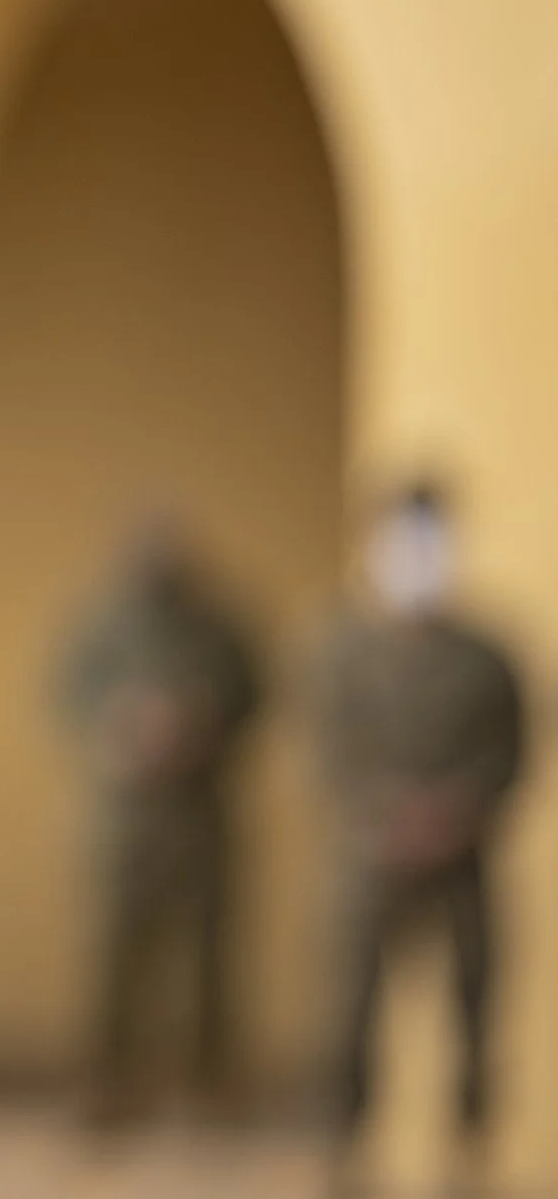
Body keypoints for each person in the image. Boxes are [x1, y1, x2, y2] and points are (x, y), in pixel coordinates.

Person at [319, 480, 526, 1160]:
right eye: (401, 542)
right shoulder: (342, 652)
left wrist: (460, 807)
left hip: (463, 855)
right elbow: (324, 748)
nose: (416, 558)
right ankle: (344, 1144)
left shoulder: (486, 654)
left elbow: (514, 749)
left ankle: (470, 1144)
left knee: (475, 1003)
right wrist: (387, 809)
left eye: (430, 541)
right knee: (351, 1003)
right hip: (369, 857)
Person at [59, 516, 263, 1124]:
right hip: (124, 824)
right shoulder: (99, 629)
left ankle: (210, 1089)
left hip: (201, 819)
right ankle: (109, 1087)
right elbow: (66, 700)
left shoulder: (220, 631)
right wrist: (122, 727)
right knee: (115, 958)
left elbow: (253, 698)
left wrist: (201, 724)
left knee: (209, 960)